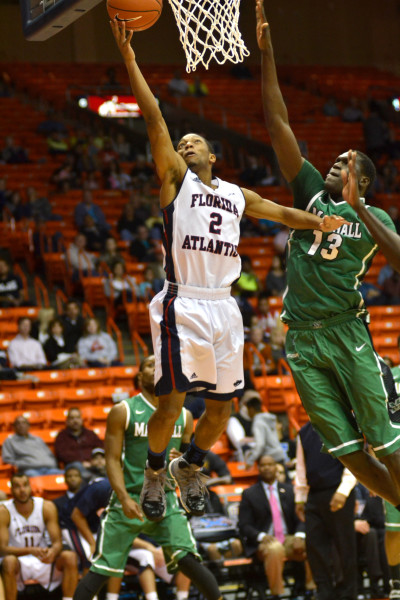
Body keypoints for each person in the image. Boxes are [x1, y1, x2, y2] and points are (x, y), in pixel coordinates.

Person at [110, 19, 346, 523]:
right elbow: (154, 118)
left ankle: (188, 466)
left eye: (196, 142)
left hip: (225, 306)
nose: (187, 145)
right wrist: (130, 59)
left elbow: (284, 214)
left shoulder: (237, 195)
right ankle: (154, 471)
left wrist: (322, 220)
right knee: (171, 401)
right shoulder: (175, 180)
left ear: (214, 156)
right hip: (183, 300)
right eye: (184, 142)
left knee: (222, 410)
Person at [256, 0, 400, 509]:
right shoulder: (311, 191)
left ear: (361, 178)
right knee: (348, 453)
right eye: (336, 159)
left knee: (385, 440)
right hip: (302, 340)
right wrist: (266, 53)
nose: (335, 162)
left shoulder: (375, 219)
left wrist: (362, 211)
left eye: (346, 161)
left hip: (346, 328)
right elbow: (278, 124)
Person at [72, 354, 224, 600]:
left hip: (166, 500)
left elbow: (185, 463)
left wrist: (182, 460)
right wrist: (122, 498)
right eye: (150, 365)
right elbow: (111, 459)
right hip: (129, 499)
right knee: (101, 570)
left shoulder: (184, 416)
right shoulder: (123, 411)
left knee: (188, 559)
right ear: (139, 375)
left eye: (160, 365)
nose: (156, 369)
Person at [295, 421, 358, 600]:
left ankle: (348, 594)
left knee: (345, 547)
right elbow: (301, 466)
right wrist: (299, 497)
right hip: (314, 494)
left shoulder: (341, 421)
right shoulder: (304, 431)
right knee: (314, 546)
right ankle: (324, 592)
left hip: (338, 491)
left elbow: (355, 459)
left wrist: (344, 491)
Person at [238, 454, 313, 600]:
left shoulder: (289, 490)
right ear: (258, 469)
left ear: (276, 468)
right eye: (263, 465)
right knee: (275, 548)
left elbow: (302, 518)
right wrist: (261, 536)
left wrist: (299, 536)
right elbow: (244, 525)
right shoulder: (249, 494)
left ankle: (311, 590)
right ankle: (276, 594)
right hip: (265, 541)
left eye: (270, 464)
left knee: (311, 545)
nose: (267, 468)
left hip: (288, 538)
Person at [0, 472, 78, 600]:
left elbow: (57, 542)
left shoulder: (46, 507)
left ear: (31, 487)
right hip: (19, 561)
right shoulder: (4, 512)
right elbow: (2, 549)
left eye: (25, 485)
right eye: (17, 486)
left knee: (69, 557)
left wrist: (53, 551)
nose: (22, 490)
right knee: (8, 562)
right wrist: (30, 550)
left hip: (43, 559)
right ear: (11, 490)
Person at [244, 397, 289, 468]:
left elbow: (260, 444)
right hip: (279, 456)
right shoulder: (268, 419)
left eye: (247, 410)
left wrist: (250, 460)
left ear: (251, 409)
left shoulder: (258, 423)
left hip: (270, 460)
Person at [54, 407, 103, 472]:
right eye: (72, 418)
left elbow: (100, 448)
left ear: (82, 419)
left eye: (77, 417)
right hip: (73, 466)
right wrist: (81, 462)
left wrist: (95, 460)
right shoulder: (61, 436)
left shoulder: (90, 434)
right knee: (77, 466)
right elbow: (62, 454)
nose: (75, 420)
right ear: (67, 421)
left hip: (93, 464)